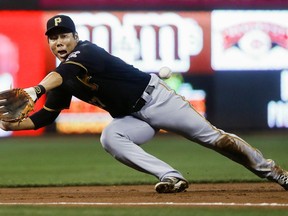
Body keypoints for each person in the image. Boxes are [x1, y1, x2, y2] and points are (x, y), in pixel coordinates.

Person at [0, 15, 287, 193]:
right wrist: (12, 123)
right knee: (111, 136)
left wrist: (35, 90)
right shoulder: (62, 78)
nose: (59, 41)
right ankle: (171, 177)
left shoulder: (87, 51)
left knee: (216, 140)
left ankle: (275, 173)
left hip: (158, 100)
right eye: (53, 37)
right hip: (134, 118)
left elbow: (64, 73)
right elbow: (47, 116)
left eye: (64, 35)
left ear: (75, 37)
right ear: (49, 43)